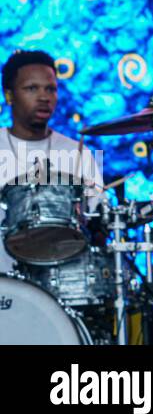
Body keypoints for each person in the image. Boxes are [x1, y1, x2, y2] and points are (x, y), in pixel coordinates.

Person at [1, 49, 102, 274]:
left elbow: (95, 221)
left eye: (51, 89)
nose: (44, 97)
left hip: (64, 282)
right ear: (9, 95)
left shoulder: (77, 153)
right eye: (32, 88)